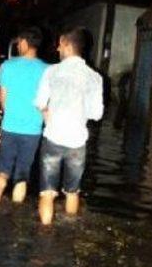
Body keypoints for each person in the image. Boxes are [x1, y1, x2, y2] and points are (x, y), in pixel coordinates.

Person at [35, 27, 104, 225]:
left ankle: (45, 236)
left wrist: (48, 116)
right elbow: (96, 114)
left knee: (47, 193)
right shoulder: (95, 77)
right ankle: (70, 232)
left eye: (59, 44)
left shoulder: (51, 71)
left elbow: (40, 102)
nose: (57, 49)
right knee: (73, 193)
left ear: (66, 44)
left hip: (53, 138)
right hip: (77, 142)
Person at [0, 26, 47, 205]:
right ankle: (15, 211)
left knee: (3, 169)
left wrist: (13, 115)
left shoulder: (7, 65)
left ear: (24, 43)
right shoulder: (47, 70)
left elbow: (3, 99)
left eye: (18, 43)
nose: (17, 46)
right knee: (23, 172)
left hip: (10, 127)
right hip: (32, 130)